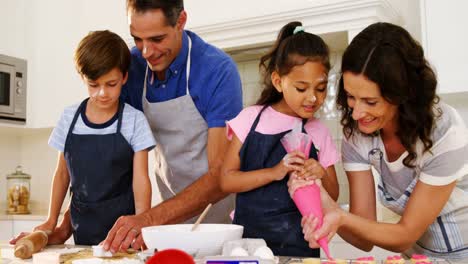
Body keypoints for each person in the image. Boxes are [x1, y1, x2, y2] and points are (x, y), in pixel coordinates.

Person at [293, 22, 468, 260]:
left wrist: (340, 217)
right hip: (417, 257)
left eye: (371, 102)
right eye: (351, 97)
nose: (356, 113)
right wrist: (321, 199)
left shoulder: (444, 130)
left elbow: (405, 234)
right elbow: (363, 236)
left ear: (402, 93)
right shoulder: (358, 135)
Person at [102, 0, 243, 252]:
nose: (146, 52)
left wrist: (148, 220)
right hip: (167, 222)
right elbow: (111, 150)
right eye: (137, 39)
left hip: (220, 223)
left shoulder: (217, 70)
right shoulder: (132, 67)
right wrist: (64, 221)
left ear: (181, 21)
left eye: (157, 39)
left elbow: (220, 174)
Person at [11, 30, 155, 246]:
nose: (102, 93)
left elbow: (141, 180)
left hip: (123, 238)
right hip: (81, 235)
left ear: (124, 77)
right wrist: (51, 220)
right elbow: (61, 174)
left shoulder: (135, 121)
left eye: (111, 84)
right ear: (83, 78)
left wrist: (142, 222)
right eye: (94, 85)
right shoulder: (69, 117)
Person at [220, 21, 340, 257]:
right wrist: (275, 172)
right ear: (278, 81)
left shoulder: (318, 131)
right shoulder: (250, 119)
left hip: (301, 248)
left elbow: (333, 194)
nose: (313, 98)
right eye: (301, 88)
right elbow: (226, 181)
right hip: (249, 247)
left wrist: (321, 173)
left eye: (320, 88)